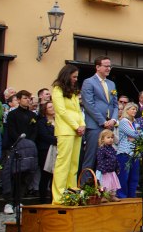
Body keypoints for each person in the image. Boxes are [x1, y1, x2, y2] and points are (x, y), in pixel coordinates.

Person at [80, 56, 119, 184]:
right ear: (97, 67)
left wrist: (113, 119)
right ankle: (85, 187)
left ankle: (105, 188)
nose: (109, 68)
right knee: (91, 157)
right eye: (106, 66)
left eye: (110, 66)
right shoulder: (89, 82)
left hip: (109, 125)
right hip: (95, 125)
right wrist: (103, 121)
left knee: (107, 159)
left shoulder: (111, 83)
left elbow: (115, 104)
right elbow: (89, 104)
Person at [51, 65, 86, 202]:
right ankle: (58, 196)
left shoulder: (72, 91)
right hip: (65, 130)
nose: (76, 79)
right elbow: (61, 111)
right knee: (63, 163)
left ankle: (71, 192)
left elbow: (78, 110)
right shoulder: (57, 89)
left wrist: (82, 124)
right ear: (66, 75)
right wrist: (76, 125)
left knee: (74, 164)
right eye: (74, 77)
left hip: (77, 130)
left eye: (77, 77)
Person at [2, 90, 39, 214]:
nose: (27, 100)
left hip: (29, 148)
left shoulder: (33, 116)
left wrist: (29, 143)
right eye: (24, 98)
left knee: (24, 174)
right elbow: (11, 131)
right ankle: (9, 201)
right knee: (13, 174)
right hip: (16, 146)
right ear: (18, 99)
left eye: (29, 98)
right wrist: (20, 141)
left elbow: (34, 131)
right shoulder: (13, 115)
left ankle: (18, 200)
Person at [116, 102, 141, 199]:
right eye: (132, 109)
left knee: (134, 177)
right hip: (124, 152)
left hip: (135, 152)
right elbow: (134, 133)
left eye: (135, 109)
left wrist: (135, 136)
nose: (134, 111)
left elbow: (141, 135)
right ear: (127, 110)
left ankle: (132, 195)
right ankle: (122, 196)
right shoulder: (123, 121)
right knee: (124, 176)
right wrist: (136, 135)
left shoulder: (136, 122)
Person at [36, 100, 57, 204]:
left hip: (58, 150)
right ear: (45, 110)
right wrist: (58, 140)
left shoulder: (58, 121)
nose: (52, 108)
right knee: (45, 175)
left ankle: (54, 198)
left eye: (53, 106)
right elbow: (44, 135)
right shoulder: (42, 122)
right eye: (49, 107)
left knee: (55, 176)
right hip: (46, 150)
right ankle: (42, 199)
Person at [96, 129, 121, 199]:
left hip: (111, 171)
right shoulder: (102, 149)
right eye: (108, 137)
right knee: (104, 185)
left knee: (112, 184)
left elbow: (115, 159)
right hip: (104, 172)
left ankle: (112, 196)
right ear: (102, 139)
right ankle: (103, 196)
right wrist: (103, 170)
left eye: (112, 138)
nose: (110, 139)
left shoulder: (112, 149)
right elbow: (100, 160)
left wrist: (117, 167)